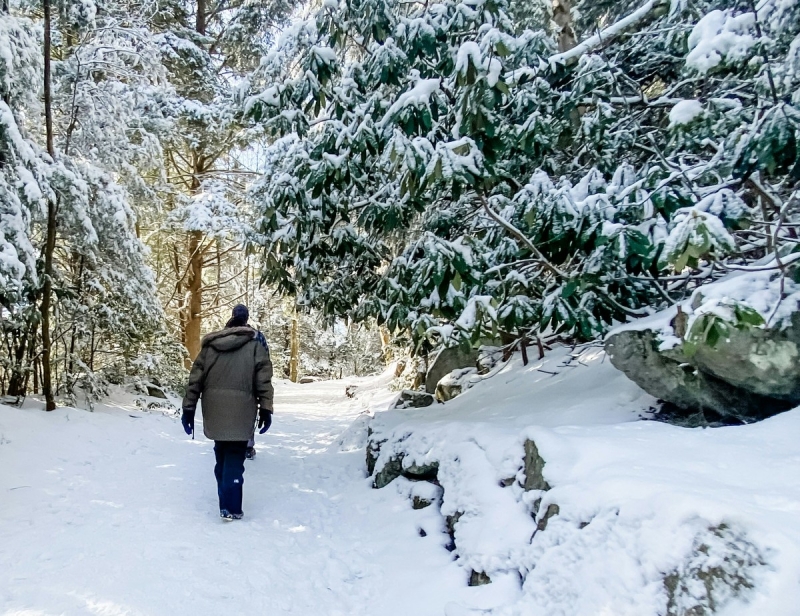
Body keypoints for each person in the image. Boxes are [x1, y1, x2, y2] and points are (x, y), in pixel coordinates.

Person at [181, 304, 274, 521]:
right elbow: (264, 381)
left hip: (213, 407)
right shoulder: (255, 346)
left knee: (221, 451)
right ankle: (231, 507)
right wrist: (266, 408)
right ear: (246, 321)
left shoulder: (210, 347)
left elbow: (195, 380)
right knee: (234, 455)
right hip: (243, 407)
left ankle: (226, 500)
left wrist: (188, 408)